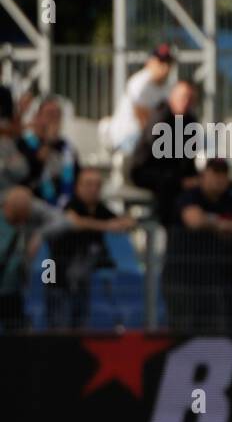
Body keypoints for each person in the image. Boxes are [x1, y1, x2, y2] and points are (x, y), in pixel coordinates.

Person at [162, 158, 232, 331]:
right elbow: (193, 220)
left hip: (213, 280)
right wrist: (221, 224)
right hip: (182, 280)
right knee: (184, 333)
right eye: (214, 173)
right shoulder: (190, 196)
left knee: (214, 333)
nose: (219, 178)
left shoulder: (230, 199)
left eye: (223, 174)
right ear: (203, 176)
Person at [46, 167, 135, 329]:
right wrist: (106, 226)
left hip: (82, 279)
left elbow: (125, 221)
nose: (93, 189)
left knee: (80, 325)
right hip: (54, 274)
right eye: (88, 184)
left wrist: (123, 222)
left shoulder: (99, 209)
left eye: (97, 185)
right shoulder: (68, 204)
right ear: (77, 186)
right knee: (58, 327)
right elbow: (73, 222)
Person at [129, 79, 200, 227]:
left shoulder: (190, 121)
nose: (185, 102)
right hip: (148, 170)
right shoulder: (161, 116)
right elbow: (158, 155)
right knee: (170, 187)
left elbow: (188, 158)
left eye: (189, 98)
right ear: (172, 96)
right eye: (182, 97)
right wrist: (181, 180)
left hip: (173, 173)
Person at [0, 185, 68, 331]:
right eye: (17, 215)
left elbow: (64, 221)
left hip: (13, 290)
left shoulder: (29, 213)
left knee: (17, 331)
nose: (23, 220)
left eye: (26, 214)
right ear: (6, 207)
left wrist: (40, 234)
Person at [108, 44, 174, 153]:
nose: (165, 67)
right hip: (128, 136)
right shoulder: (140, 82)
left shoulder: (167, 87)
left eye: (168, 63)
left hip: (147, 138)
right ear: (150, 62)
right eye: (161, 62)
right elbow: (142, 118)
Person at [17, 97, 80, 206]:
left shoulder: (67, 148)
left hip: (65, 204)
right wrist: (49, 141)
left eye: (58, 115)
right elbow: (29, 172)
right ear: (37, 117)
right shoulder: (23, 143)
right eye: (50, 114)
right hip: (34, 203)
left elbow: (78, 177)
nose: (54, 119)